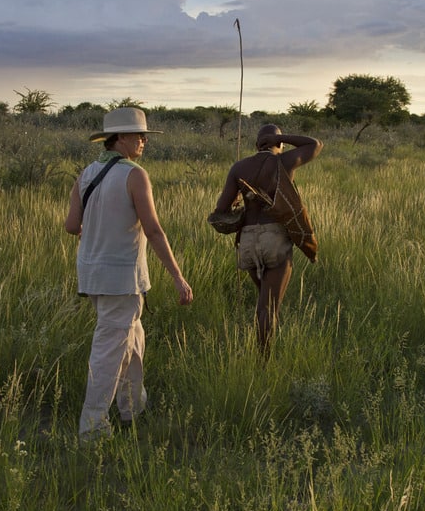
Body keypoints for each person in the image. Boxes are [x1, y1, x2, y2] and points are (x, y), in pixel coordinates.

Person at [64, 106, 194, 440]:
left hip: (93, 274)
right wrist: (178, 277)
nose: (143, 142)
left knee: (133, 338)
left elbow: (71, 226)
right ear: (120, 138)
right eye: (139, 136)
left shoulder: (86, 173)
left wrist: (100, 236)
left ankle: (132, 408)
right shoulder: (135, 175)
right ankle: (92, 428)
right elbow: (154, 230)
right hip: (121, 278)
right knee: (109, 350)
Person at [213, 124, 322, 356]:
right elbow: (315, 144)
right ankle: (263, 364)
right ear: (279, 144)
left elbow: (221, 209)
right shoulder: (284, 162)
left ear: (256, 144)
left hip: (249, 242)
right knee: (267, 308)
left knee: (265, 300)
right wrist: (281, 138)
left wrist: (236, 204)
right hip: (275, 239)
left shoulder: (239, 167)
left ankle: (265, 349)